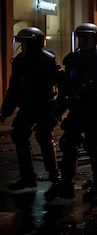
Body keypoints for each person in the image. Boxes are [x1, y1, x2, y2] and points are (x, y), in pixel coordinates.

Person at [45, 23, 97, 203]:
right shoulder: (73, 59)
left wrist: (85, 87)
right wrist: (60, 106)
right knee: (68, 143)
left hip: (93, 106)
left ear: (95, 38)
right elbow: (67, 84)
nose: (83, 41)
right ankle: (66, 183)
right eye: (81, 37)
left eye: (87, 38)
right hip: (76, 106)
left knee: (93, 145)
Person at [0, 26, 62, 190]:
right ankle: (27, 176)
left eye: (26, 43)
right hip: (28, 105)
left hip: (44, 105)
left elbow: (61, 82)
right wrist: (5, 111)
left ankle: (54, 173)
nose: (23, 47)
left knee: (44, 136)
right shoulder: (20, 61)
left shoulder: (47, 60)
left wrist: (59, 108)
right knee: (19, 135)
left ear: (34, 44)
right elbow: (13, 88)